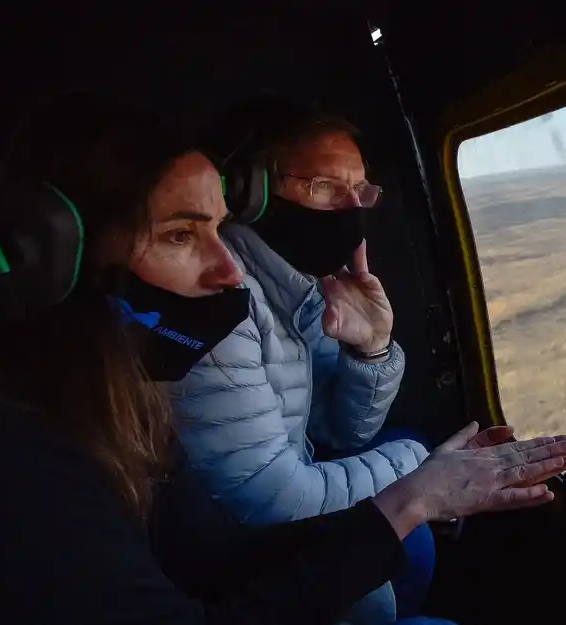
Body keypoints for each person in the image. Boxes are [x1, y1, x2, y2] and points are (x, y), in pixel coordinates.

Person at [0, 94, 566, 625]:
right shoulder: (17, 454)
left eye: (216, 228)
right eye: (181, 236)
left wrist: (372, 354)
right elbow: (255, 512)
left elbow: (208, 546)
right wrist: (413, 493)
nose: (227, 269)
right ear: (53, 258)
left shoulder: (114, 400)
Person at [171, 100, 431, 622]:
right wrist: (423, 469)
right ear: (253, 192)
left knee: (413, 552)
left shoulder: (301, 284)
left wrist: (371, 348)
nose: (352, 210)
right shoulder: (221, 301)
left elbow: (344, 431)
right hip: (230, 542)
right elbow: (269, 497)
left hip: (285, 499)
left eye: (362, 193)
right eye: (326, 188)